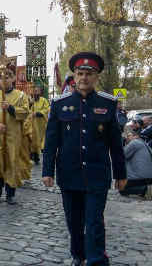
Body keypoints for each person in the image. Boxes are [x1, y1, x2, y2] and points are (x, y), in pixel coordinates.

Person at [42, 52, 127, 266]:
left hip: (97, 174)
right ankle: (78, 256)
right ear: (74, 75)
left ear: (96, 76)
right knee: (74, 221)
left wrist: (121, 174)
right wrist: (47, 171)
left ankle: (96, 260)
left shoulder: (107, 104)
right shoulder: (60, 104)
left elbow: (116, 144)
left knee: (95, 221)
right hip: (69, 173)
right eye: (80, 73)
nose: (84, 78)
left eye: (89, 74)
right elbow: (51, 141)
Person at [0, 65, 30, 205]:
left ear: (12, 79)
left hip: (13, 135)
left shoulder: (20, 95)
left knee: (11, 161)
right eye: (1, 77)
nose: (4, 80)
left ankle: (10, 192)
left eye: (7, 77)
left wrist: (10, 108)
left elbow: (25, 112)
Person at [120, 131, 152, 199]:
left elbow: (122, 155)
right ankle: (149, 188)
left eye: (129, 136)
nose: (127, 138)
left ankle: (144, 190)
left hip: (140, 177)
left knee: (122, 189)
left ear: (136, 136)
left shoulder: (134, 143)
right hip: (151, 177)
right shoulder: (146, 144)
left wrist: (122, 143)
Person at [30, 85, 49, 165]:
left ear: (40, 92)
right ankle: (34, 155)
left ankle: (41, 156)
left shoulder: (44, 100)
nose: (35, 92)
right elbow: (27, 110)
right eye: (34, 91)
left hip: (41, 125)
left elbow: (47, 109)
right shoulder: (31, 101)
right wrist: (30, 104)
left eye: (37, 91)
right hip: (33, 125)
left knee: (41, 141)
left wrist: (38, 113)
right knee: (33, 141)